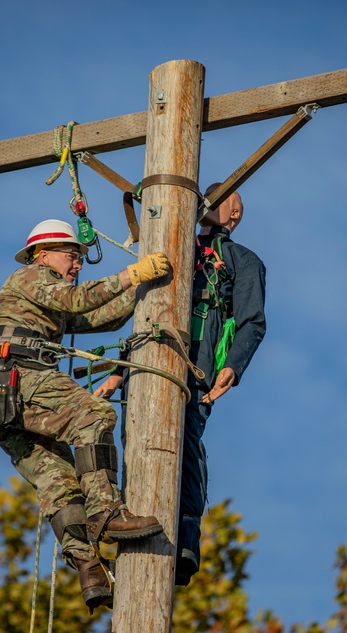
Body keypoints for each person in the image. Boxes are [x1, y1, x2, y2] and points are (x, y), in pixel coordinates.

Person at [0, 218, 172, 612]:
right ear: (42, 253)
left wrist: (148, 287)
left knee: (58, 478)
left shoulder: (47, 298)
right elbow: (78, 300)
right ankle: (106, 513)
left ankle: (88, 566)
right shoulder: (31, 276)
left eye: (79, 258)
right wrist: (133, 273)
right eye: (71, 256)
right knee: (92, 414)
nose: (77, 265)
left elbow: (101, 315)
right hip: (15, 379)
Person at [96, 185, 266, 586]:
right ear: (207, 201)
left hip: (198, 360)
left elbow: (252, 322)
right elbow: (147, 312)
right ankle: (128, 523)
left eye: (242, 209)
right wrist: (118, 371)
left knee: (185, 433)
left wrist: (234, 367)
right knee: (136, 434)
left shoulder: (242, 261)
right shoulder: (169, 246)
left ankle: (184, 538)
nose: (237, 213)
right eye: (230, 204)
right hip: (149, 356)